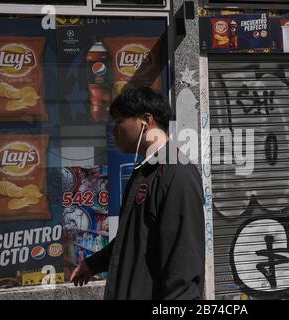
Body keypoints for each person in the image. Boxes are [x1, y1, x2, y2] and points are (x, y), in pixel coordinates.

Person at [70, 85, 205, 300]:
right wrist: (93, 264)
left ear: (146, 120)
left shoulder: (177, 173)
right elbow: (133, 239)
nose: (114, 130)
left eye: (119, 120)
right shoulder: (145, 170)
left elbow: (183, 262)